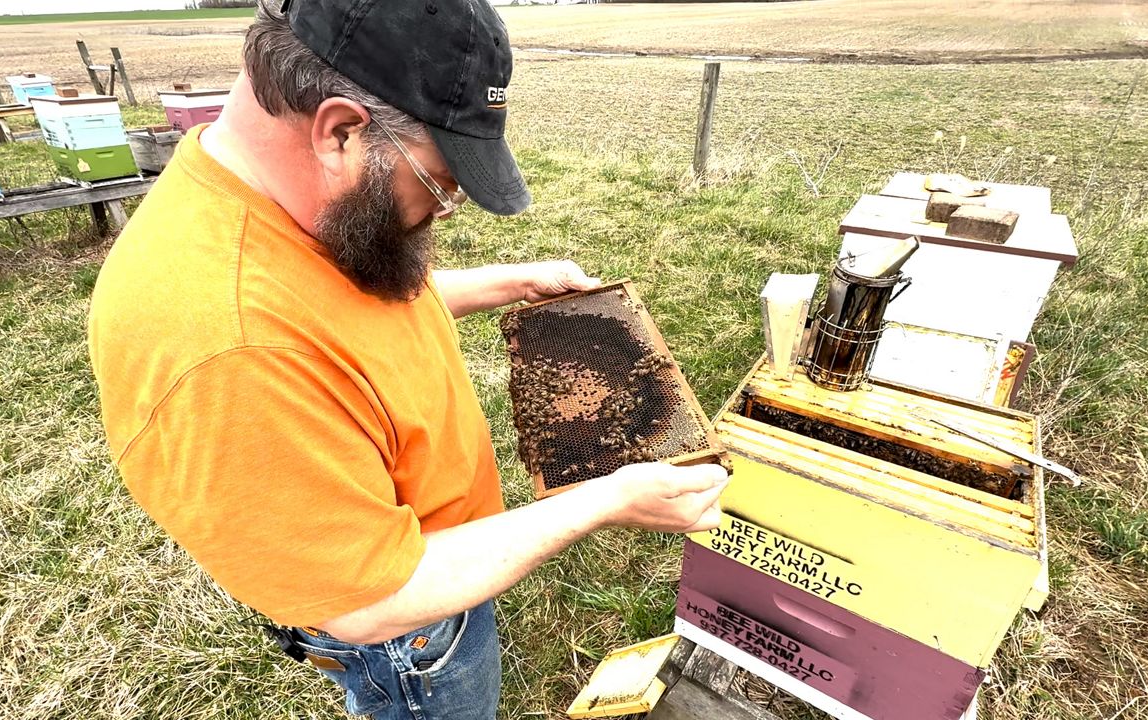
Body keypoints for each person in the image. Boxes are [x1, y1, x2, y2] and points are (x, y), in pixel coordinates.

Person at [87, 0, 728, 718]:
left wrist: (507, 283)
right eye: (439, 187)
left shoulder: (263, 197)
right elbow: (374, 599)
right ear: (340, 133)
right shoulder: (229, 347)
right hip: (410, 634)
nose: (441, 213)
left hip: (441, 566)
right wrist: (606, 498)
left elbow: (333, 319)